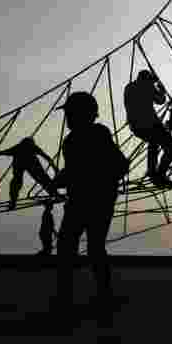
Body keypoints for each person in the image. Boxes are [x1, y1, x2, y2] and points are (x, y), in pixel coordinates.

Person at [52, 91, 130, 313]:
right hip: (93, 200)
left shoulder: (90, 136)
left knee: (74, 245)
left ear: (82, 114)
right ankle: (99, 293)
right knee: (88, 246)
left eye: (70, 113)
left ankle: (70, 294)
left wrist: (59, 181)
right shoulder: (80, 138)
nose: (67, 118)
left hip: (90, 201)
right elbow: (75, 170)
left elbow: (78, 170)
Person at [124, 70, 172, 188]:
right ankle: (159, 174)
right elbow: (160, 100)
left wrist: (152, 83)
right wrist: (161, 89)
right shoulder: (147, 86)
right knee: (171, 147)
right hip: (151, 124)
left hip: (136, 125)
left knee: (154, 143)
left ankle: (154, 173)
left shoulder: (129, 87)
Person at [0, 136, 59, 211]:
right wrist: (55, 169)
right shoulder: (28, 147)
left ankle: (13, 202)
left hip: (26, 164)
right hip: (26, 164)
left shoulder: (19, 148)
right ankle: (54, 193)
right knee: (41, 178)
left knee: (21, 181)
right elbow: (47, 158)